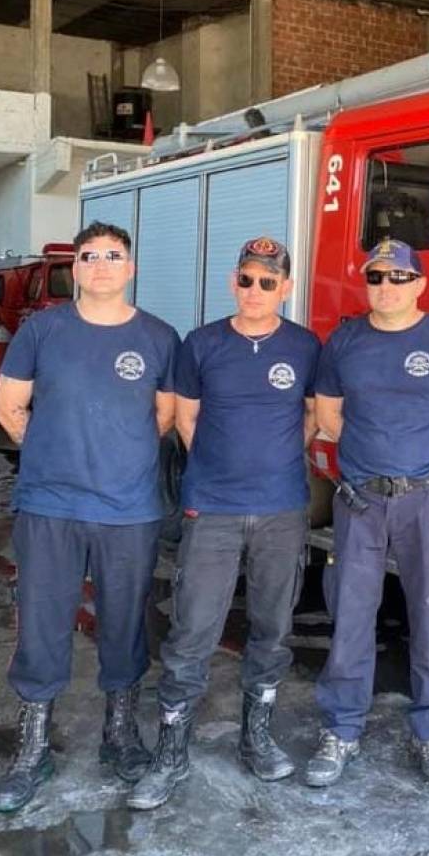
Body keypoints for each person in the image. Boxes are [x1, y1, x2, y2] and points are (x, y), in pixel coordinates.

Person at [0, 221, 178, 813]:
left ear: (131, 268)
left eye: (112, 255)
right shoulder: (42, 331)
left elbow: (163, 417)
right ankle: (33, 749)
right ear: (75, 268)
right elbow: (10, 408)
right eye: (89, 256)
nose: (100, 265)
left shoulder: (158, 337)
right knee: (42, 625)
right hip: (50, 506)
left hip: (128, 511)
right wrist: (54, 453)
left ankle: (119, 735)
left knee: (124, 623)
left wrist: (117, 457)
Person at [128, 236, 320, 810]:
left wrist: (275, 460)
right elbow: (186, 419)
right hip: (212, 509)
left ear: (285, 288)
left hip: (282, 509)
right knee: (192, 629)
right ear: (233, 282)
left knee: (272, 627)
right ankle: (171, 751)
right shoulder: (202, 343)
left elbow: (313, 415)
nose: (255, 290)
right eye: (246, 279)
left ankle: (256, 736)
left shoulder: (306, 346)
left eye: (267, 281)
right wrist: (219, 469)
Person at [308, 238, 429, 787]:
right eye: (377, 277)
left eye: (399, 277)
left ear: (420, 284)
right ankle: (341, 729)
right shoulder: (345, 341)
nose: (387, 286)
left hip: (424, 501)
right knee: (351, 616)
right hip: (360, 500)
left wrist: (424, 454)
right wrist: (370, 454)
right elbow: (327, 415)